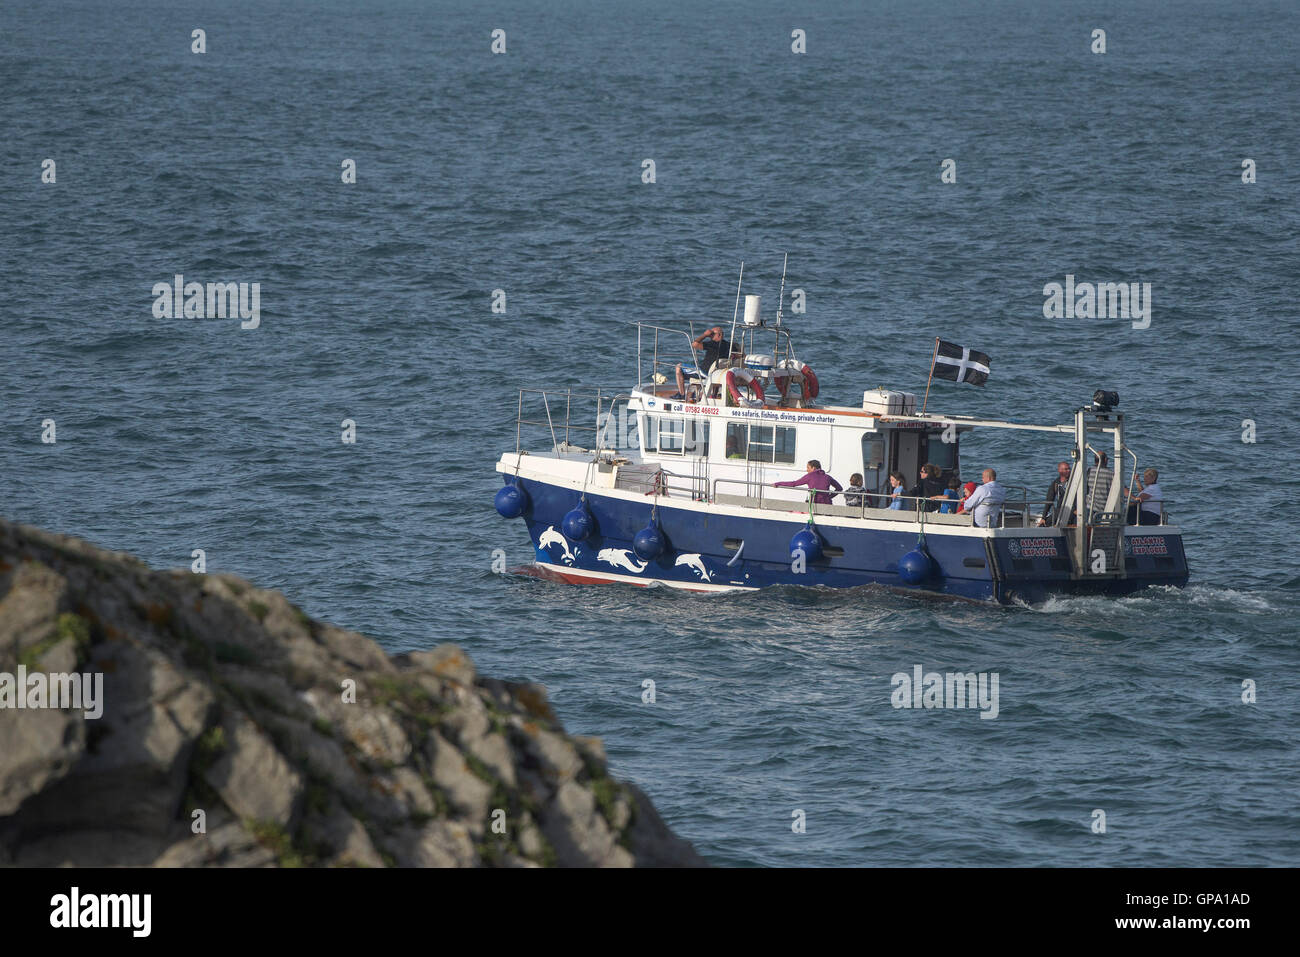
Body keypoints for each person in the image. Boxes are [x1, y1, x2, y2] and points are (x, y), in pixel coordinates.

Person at [674, 326, 731, 399]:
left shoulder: (713, 344)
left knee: (679, 367)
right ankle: (695, 394)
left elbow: (694, 344)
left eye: (712, 334)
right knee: (694, 370)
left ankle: (681, 394)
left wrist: (705, 335)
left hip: (705, 372)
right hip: (718, 373)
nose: (710, 336)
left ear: (719, 335)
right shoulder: (729, 345)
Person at [774, 459, 843, 506]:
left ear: (813, 468)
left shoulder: (809, 476)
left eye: (808, 468)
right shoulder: (828, 477)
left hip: (814, 505)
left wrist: (778, 483)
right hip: (827, 504)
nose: (807, 470)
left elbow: (794, 484)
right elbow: (839, 488)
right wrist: (829, 497)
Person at [1036, 460, 1072, 526]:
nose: (1068, 471)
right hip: (1060, 511)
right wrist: (1043, 517)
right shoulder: (1055, 483)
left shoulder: (1073, 482)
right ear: (1060, 470)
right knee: (1044, 524)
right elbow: (1049, 500)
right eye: (1066, 469)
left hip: (1072, 511)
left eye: (1069, 469)